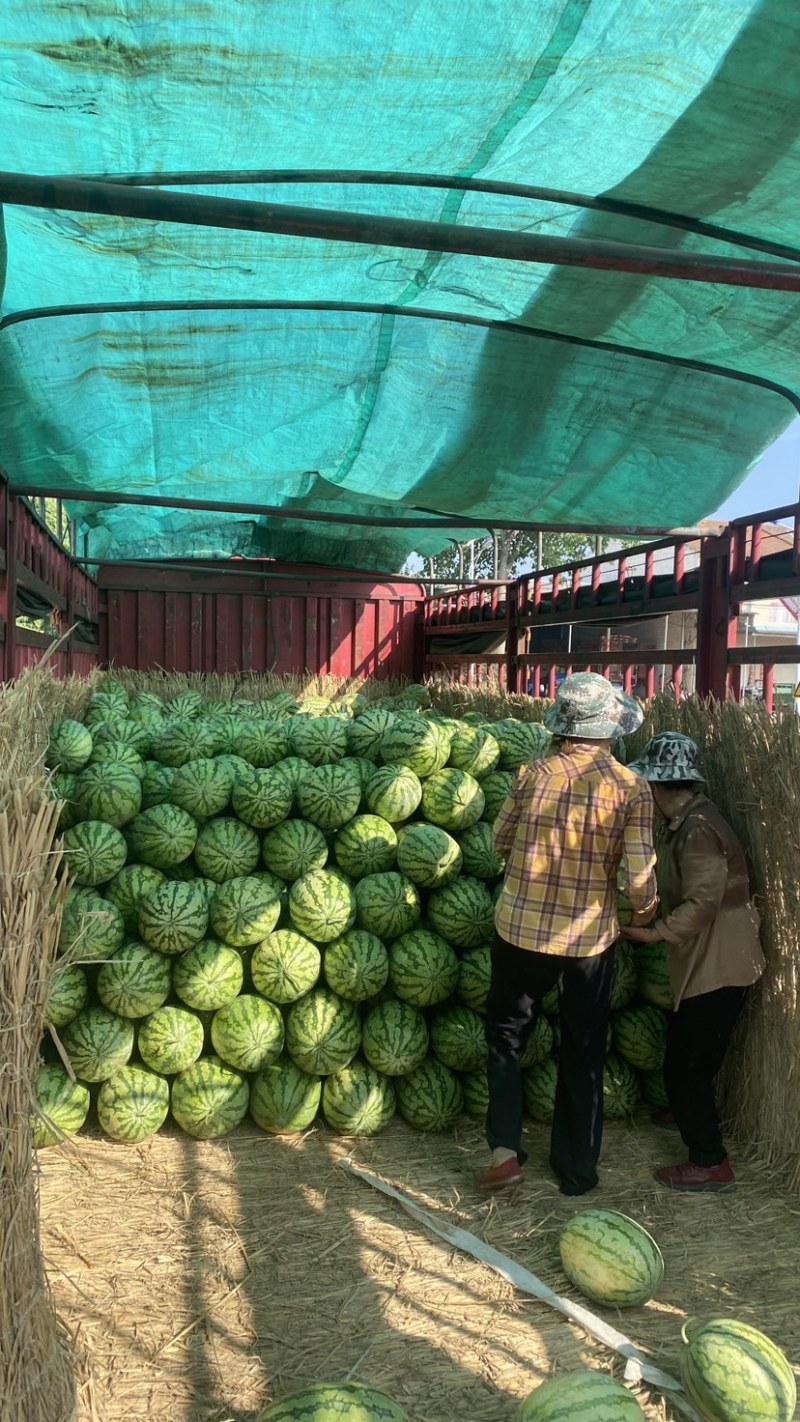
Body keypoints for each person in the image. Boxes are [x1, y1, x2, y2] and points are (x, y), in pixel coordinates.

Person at [478, 672, 658, 1197]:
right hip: (587, 942)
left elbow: (499, 841)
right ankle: (576, 1169)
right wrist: (643, 914)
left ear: (564, 726)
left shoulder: (531, 773)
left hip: (519, 930)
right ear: (610, 728)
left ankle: (505, 1152)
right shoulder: (631, 788)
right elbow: (639, 873)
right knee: (583, 1049)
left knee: (508, 1038)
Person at [622, 731, 765, 1193]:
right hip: (717, 958)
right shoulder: (693, 820)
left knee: (686, 1065)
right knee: (691, 1055)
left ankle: (709, 1161)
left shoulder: (699, 830)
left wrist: (653, 933)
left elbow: (702, 903)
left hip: (720, 962)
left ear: (661, 786)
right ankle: (686, 1111)